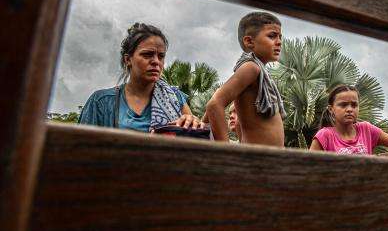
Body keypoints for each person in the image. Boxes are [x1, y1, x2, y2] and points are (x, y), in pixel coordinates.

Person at [79, 23, 201, 133]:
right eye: (147, 54)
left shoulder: (175, 98)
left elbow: (194, 138)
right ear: (128, 60)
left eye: (161, 56)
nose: (156, 62)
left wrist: (191, 120)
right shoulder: (101, 102)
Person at [206, 12, 285, 147]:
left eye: (280, 37)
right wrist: (225, 152)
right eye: (272, 36)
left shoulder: (259, 71)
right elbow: (214, 105)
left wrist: (203, 121)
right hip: (256, 160)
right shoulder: (251, 67)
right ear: (249, 41)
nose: (279, 42)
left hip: (268, 160)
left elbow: (210, 113)